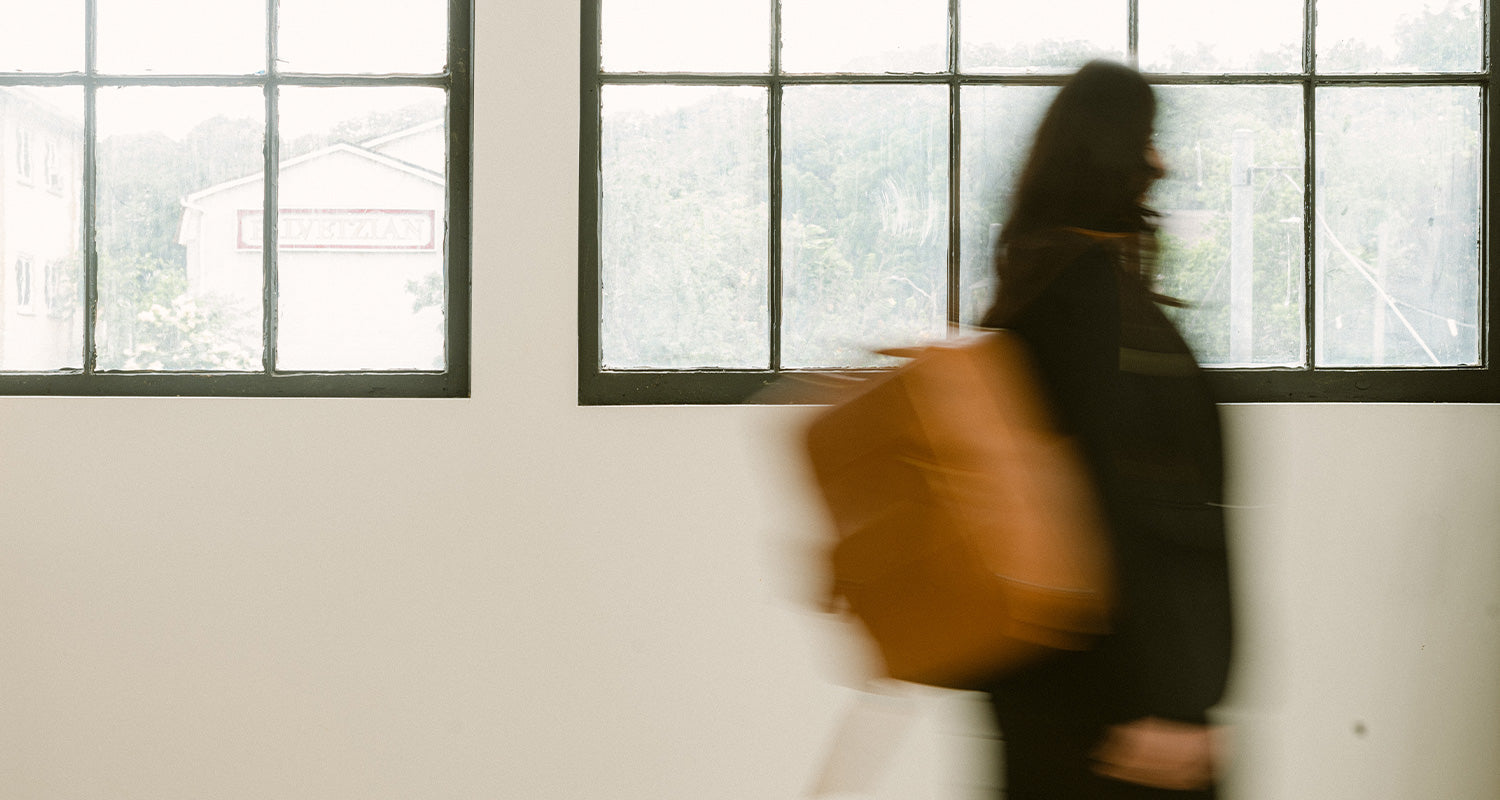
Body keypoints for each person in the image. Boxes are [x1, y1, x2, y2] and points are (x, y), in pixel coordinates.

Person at [976, 61, 1235, 798]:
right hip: (1122, 713)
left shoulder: (1027, 297)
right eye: (1148, 140)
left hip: (1037, 690)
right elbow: (1150, 510)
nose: (1162, 163)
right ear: (1115, 156)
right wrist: (1177, 700)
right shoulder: (1102, 310)